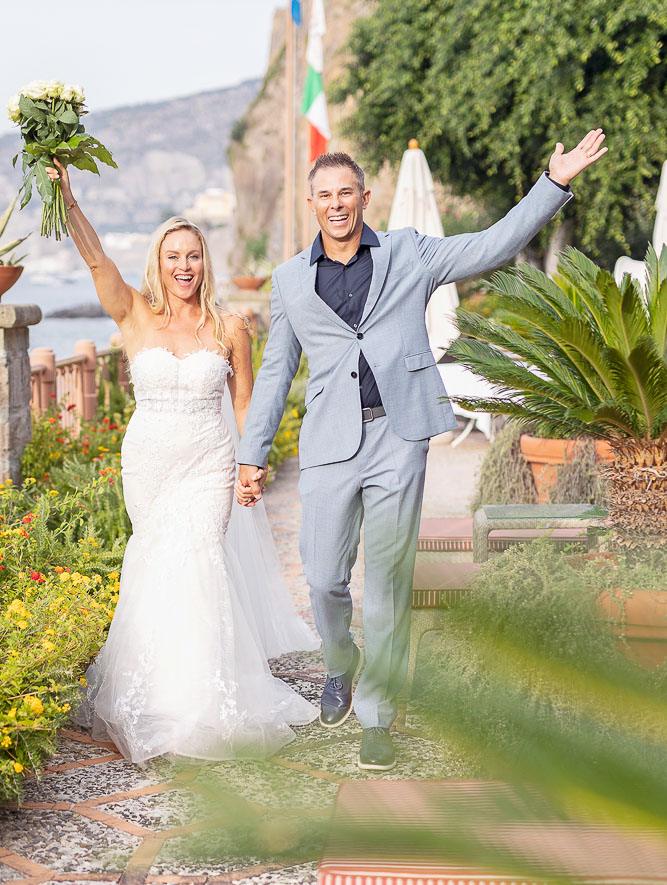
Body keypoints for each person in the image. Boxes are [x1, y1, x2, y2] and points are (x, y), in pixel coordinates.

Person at [236, 130, 608, 771]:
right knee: (324, 578)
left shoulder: (410, 253)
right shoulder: (291, 281)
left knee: (385, 583)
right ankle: (338, 662)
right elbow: (274, 372)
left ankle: (377, 714)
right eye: (324, 195)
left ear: (365, 197)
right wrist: (252, 452)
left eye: (346, 192)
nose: (336, 204)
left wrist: (555, 183)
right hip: (328, 443)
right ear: (311, 202)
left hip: (399, 436)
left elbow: (492, 245)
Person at [46, 160, 319, 764]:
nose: (184, 267)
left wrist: (252, 465)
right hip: (148, 465)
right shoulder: (135, 315)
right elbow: (96, 263)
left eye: (193, 256)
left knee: (198, 562)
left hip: (207, 465)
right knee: (153, 563)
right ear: (158, 262)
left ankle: (202, 702)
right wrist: (68, 200)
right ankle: (158, 695)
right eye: (173, 256)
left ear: (205, 262)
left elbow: (245, 403)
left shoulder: (231, 326)